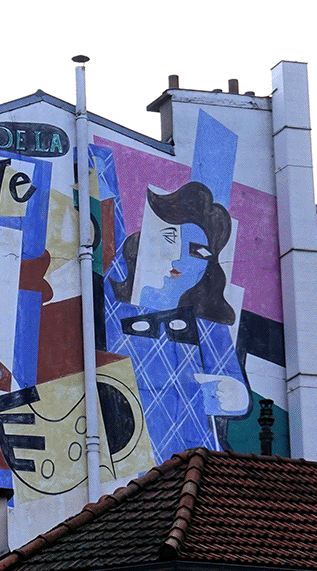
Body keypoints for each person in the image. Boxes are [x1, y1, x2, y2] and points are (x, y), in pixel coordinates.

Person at [105, 180, 249, 459]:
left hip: (192, 453)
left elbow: (235, 388)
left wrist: (231, 394)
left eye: (196, 251)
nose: (178, 260)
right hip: (125, 452)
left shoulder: (206, 321)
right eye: (170, 240)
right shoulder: (112, 304)